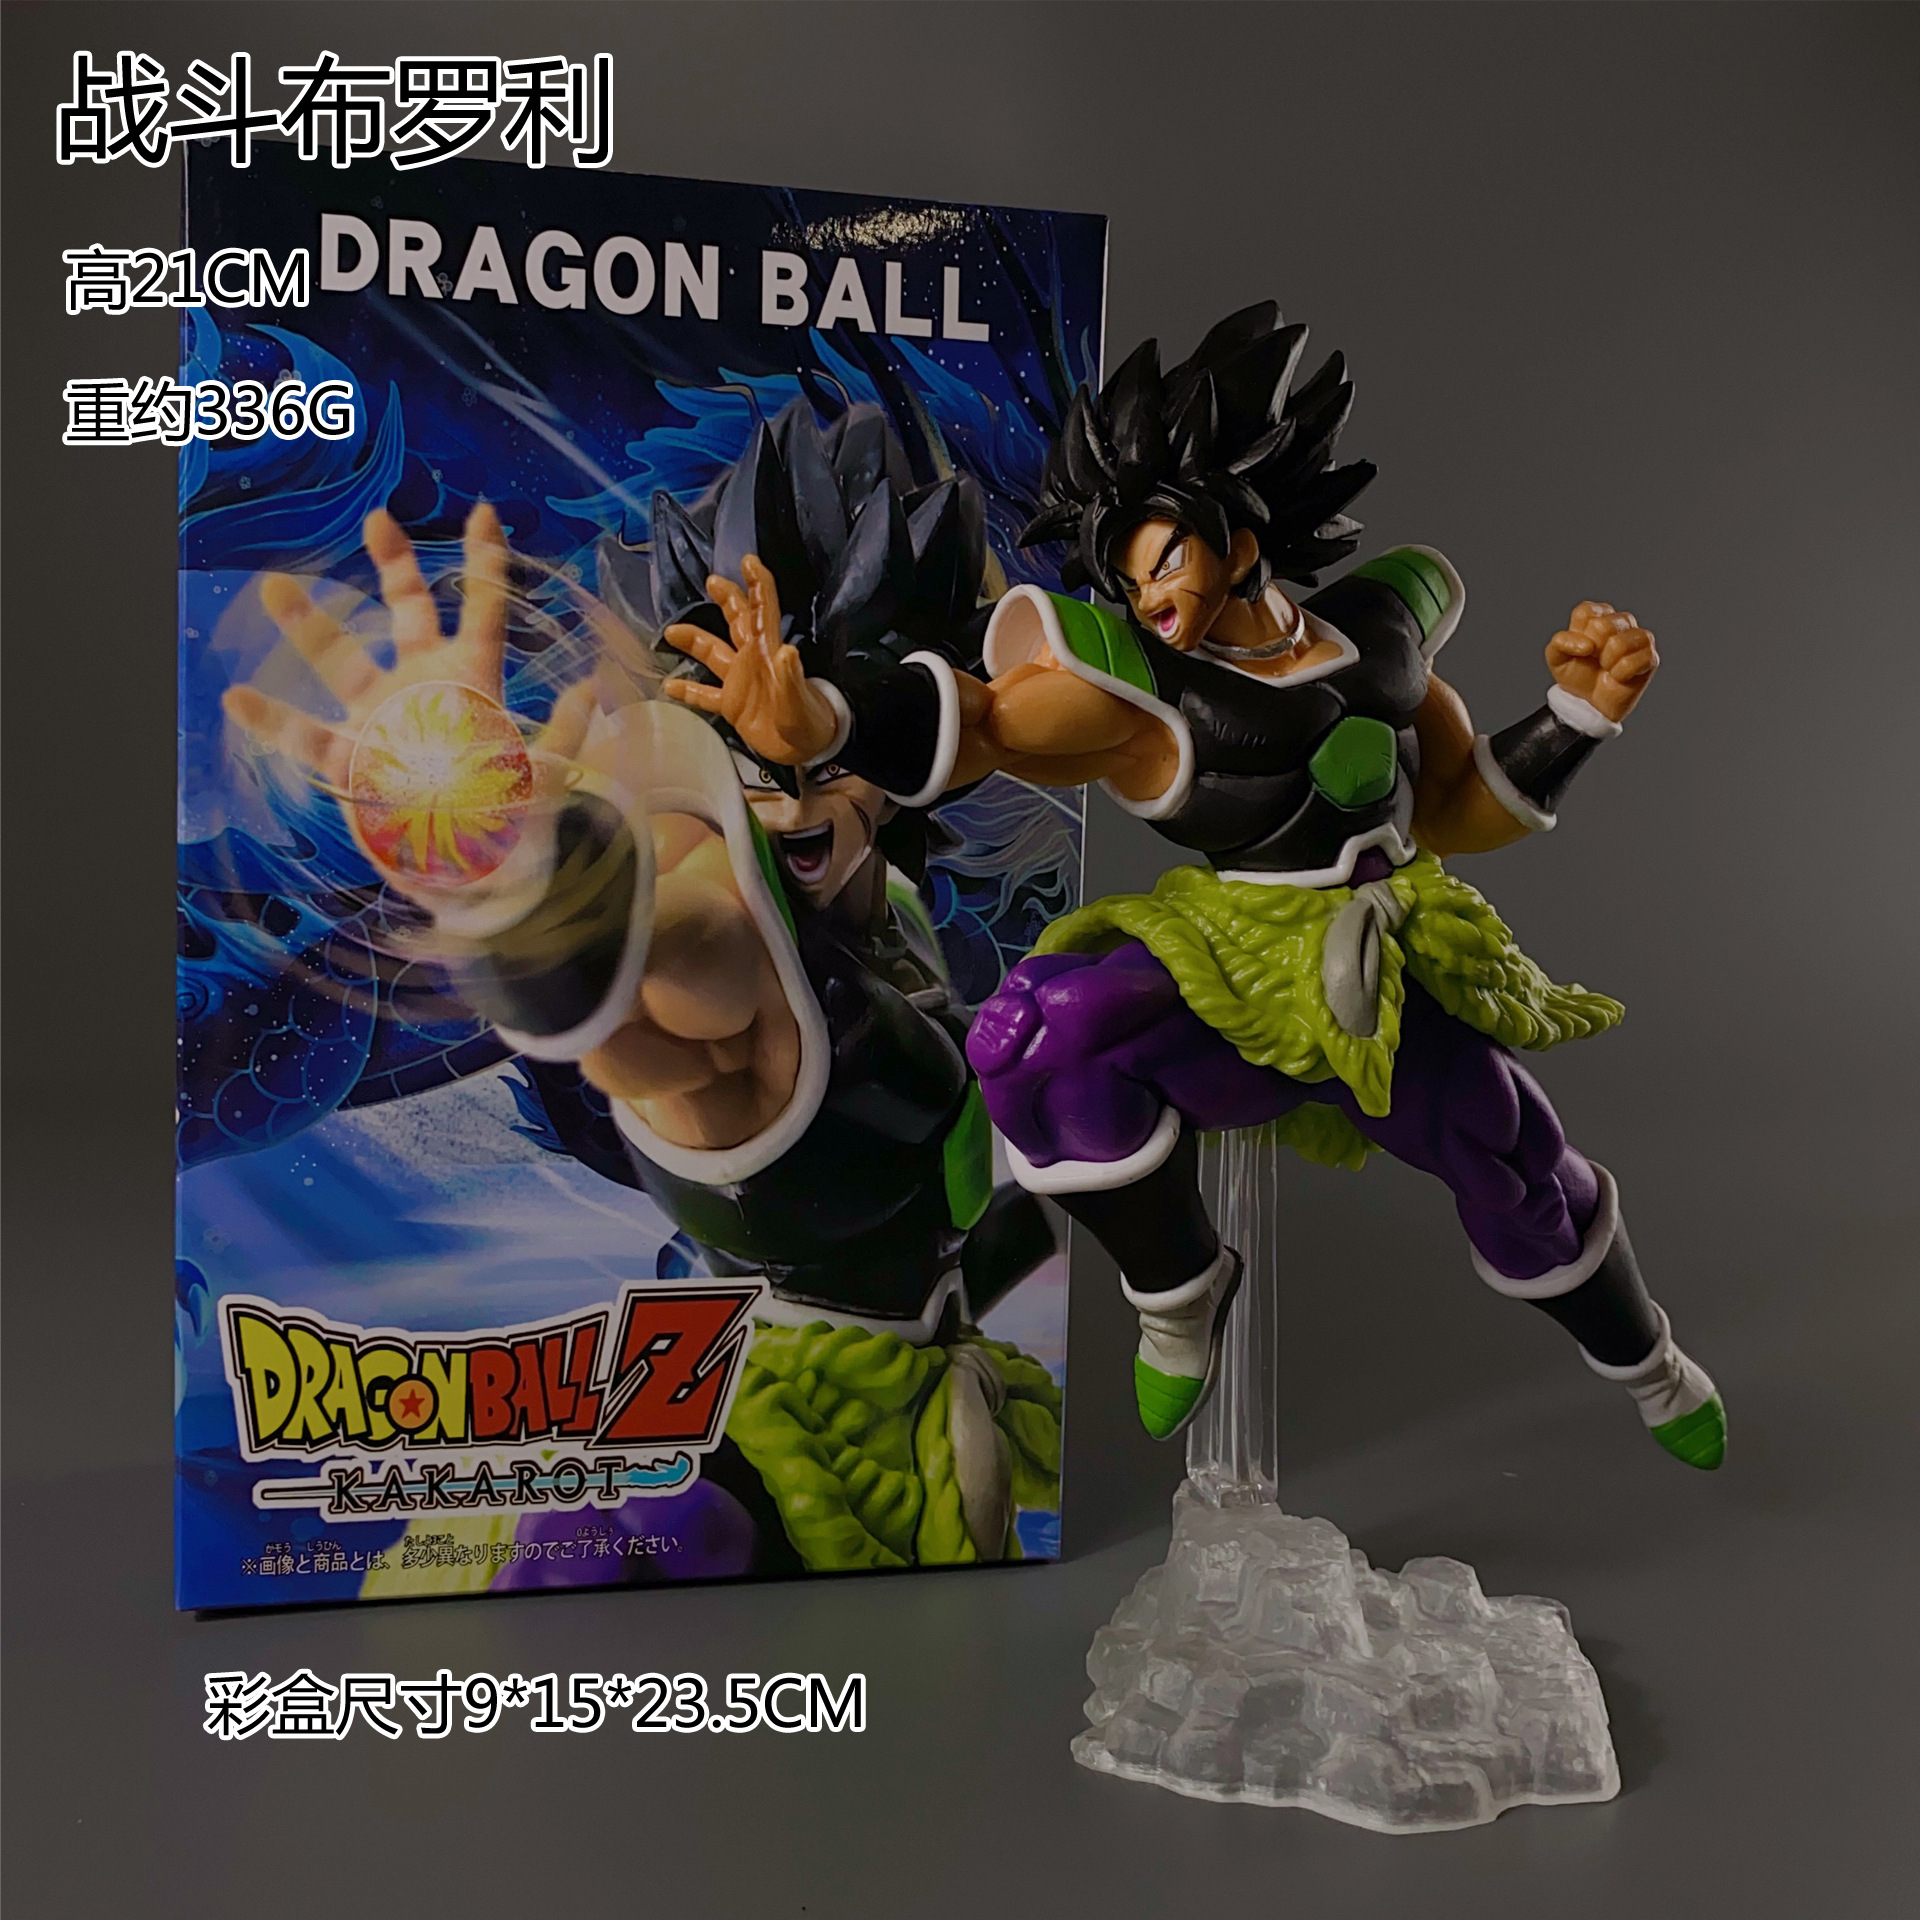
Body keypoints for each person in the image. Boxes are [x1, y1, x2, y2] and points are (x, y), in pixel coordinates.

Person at [669, 304, 1726, 1471]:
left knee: (1518, 1164)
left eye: (1163, 551)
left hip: (1390, 956)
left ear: (1240, 523)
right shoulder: (1139, 686)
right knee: (1038, 1042)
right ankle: (1178, 1289)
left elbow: (1458, 807)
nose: (1147, 589)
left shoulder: (1380, 635)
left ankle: (1650, 1364)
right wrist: (824, 723)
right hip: (1231, 964)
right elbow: (987, 719)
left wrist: (1579, 715)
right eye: (1124, 569)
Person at [223, 399, 1063, 1574]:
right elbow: (630, 961)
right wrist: (490, 848)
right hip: (768, 1455)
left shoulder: (891, 910)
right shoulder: (722, 917)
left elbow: (941, 1213)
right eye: (739, 709)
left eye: (820, 709)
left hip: (914, 1412)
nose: (787, 762)